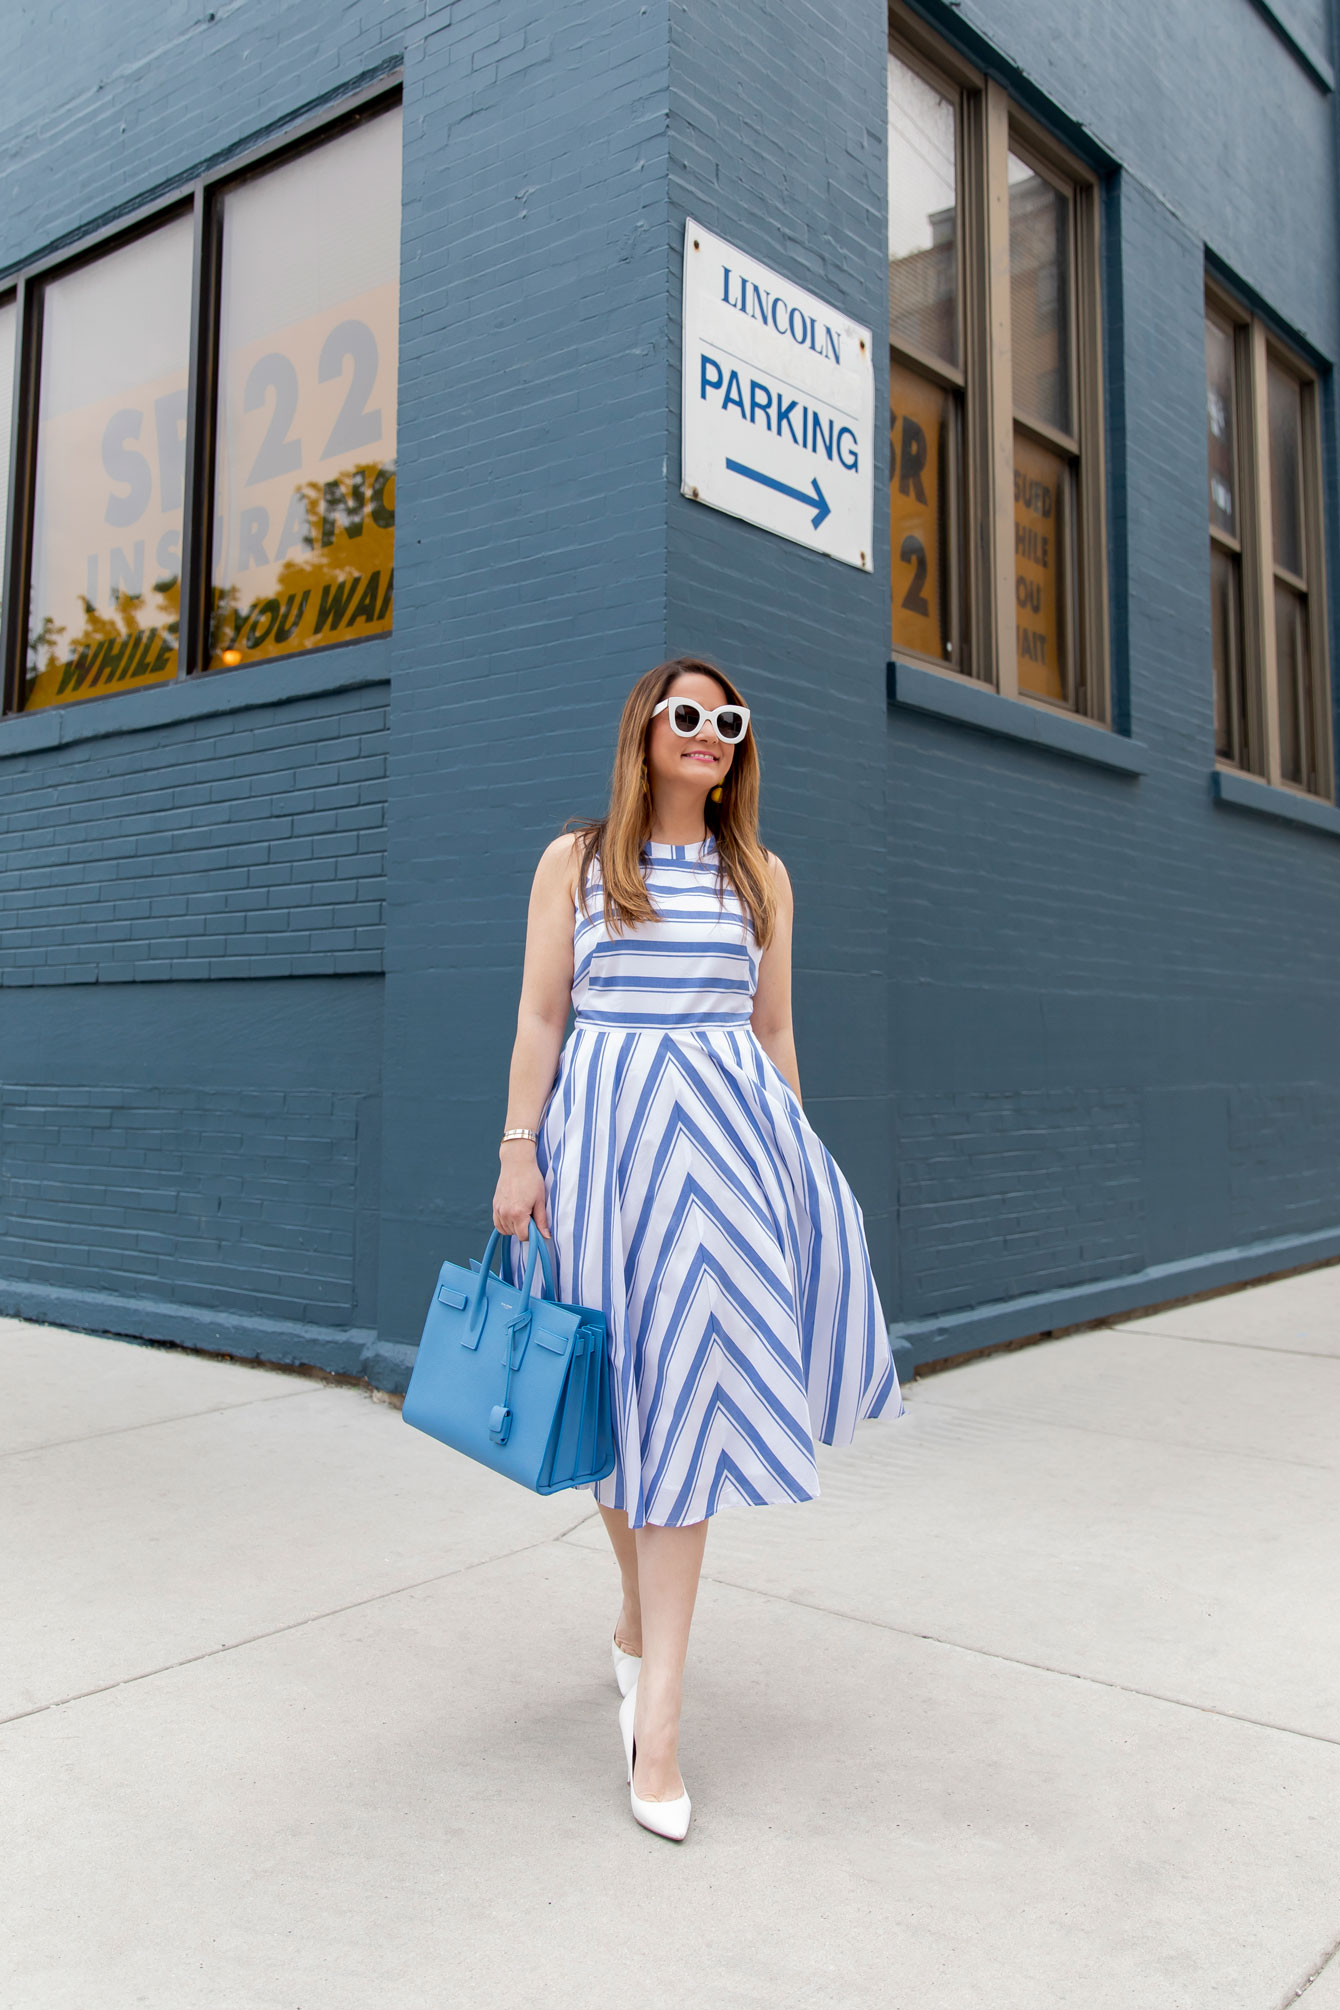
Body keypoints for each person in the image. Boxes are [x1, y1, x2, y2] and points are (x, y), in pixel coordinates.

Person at [491, 657, 902, 1841]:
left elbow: (773, 1032)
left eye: (728, 721)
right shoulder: (574, 863)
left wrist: (796, 1167)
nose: (709, 733)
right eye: (688, 715)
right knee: (619, 1408)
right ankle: (632, 1619)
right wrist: (519, 1151)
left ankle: (658, 1722)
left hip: (723, 1156)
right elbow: (539, 1017)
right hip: (601, 1152)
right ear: (644, 731)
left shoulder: (760, 875)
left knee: (685, 1413)